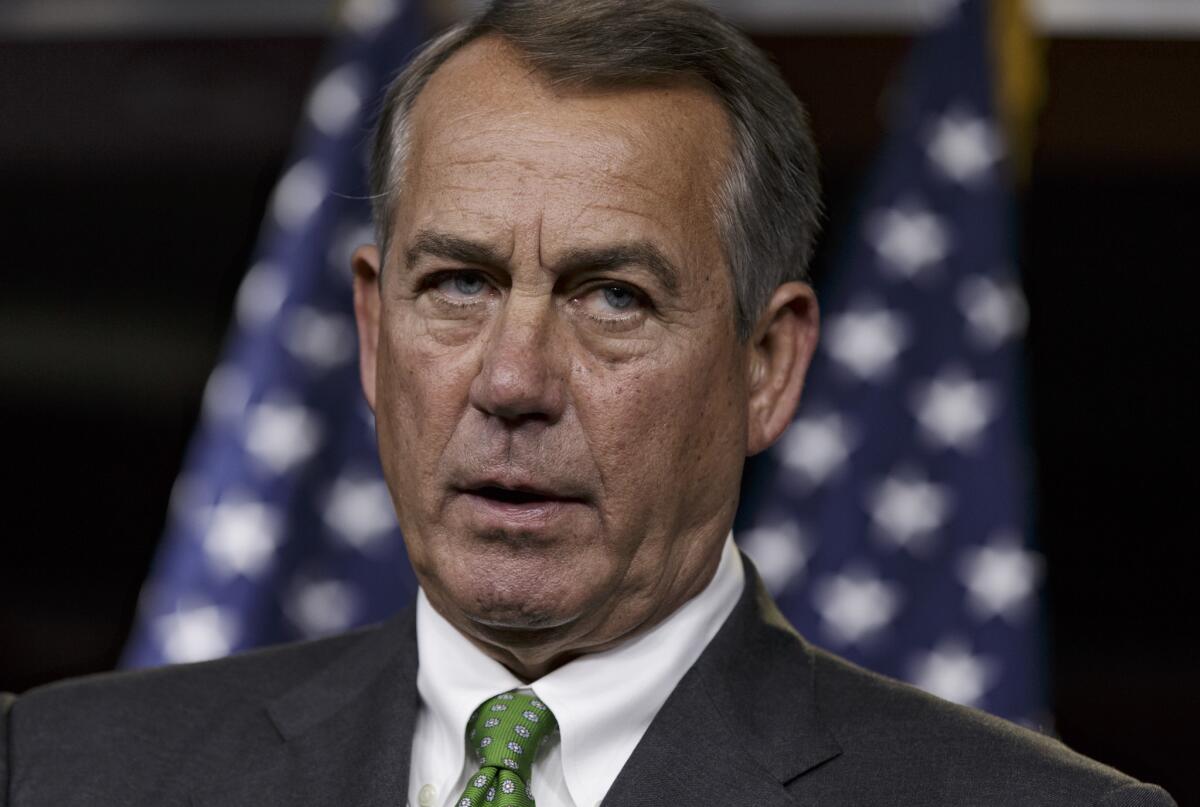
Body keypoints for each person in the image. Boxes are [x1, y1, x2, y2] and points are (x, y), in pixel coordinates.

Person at [0, 1, 1175, 805]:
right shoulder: (58, 773)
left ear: (767, 365)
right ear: (371, 329)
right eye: (458, 285)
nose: (512, 383)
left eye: (612, 298)